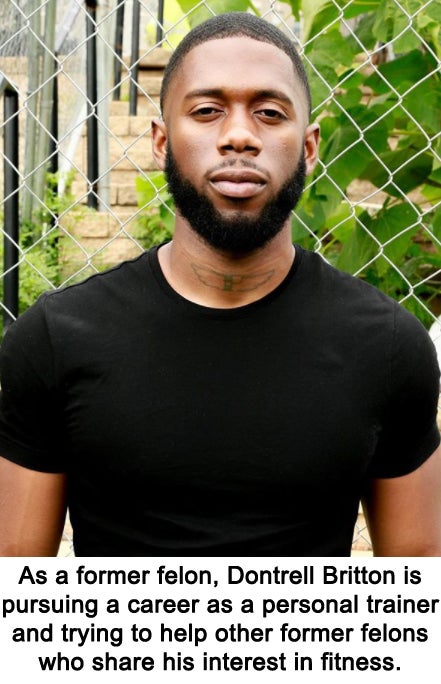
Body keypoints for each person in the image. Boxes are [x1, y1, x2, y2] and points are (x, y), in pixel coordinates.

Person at [0, 12, 440, 557]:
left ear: (308, 147)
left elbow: (419, 603)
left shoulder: (389, 347)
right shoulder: (55, 339)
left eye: (269, 113)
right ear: (161, 142)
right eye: (207, 111)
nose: (238, 135)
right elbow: (15, 600)